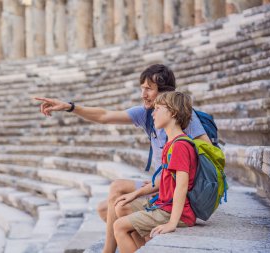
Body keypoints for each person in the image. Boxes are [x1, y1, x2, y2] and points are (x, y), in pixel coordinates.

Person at [35, 64, 210, 253]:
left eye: (148, 89)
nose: (143, 94)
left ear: (164, 92)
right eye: (142, 88)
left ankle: (109, 251)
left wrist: (169, 180)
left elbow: (207, 153)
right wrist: (70, 107)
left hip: (178, 192)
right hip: (162, 183)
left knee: (120, 209)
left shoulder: (185, 119)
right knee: (105, 209)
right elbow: (104, 116)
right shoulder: (147, 113)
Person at [113, 91, 197, 253]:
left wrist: (172, 223)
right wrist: (135, 194)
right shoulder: (171, 143)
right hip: (164, 205)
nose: (153, 113)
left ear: (172, 112)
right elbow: (165, 179)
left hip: (173, 211)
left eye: (157, 108)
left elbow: (181, 185)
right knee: (122, 207)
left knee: (119, 226)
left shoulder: (180, 146)